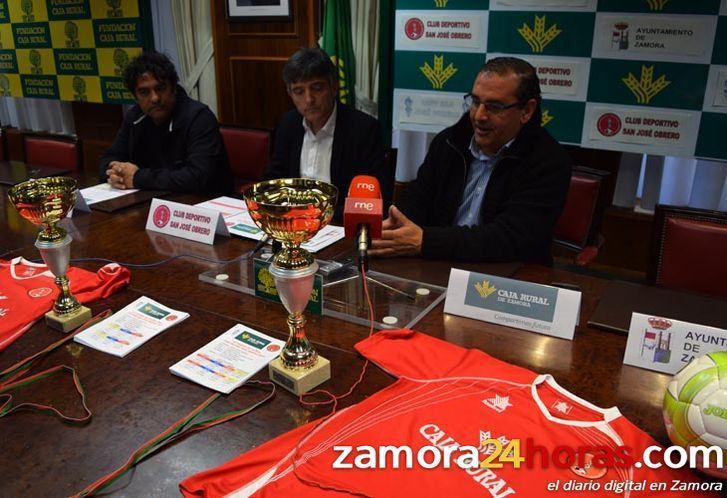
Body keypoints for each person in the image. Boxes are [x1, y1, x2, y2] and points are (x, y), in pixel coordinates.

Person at [370, 57, 572, 264]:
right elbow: (417, 198)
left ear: (526, 111)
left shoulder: (549, 161)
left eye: (494, 106)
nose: (479, 116)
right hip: (439, 264)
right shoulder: (449, 142)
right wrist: (396, 227)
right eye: (475, 102)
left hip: (509, 275)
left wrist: (426, 241)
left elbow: (509, 239)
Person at [264, 46, 390, 221]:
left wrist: (312, 216)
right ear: (290, 94)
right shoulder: (288, 124)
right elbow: (274, 181)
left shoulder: (363, 129)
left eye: (316, 88)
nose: (309, 99)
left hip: (338, 226)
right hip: (292, 224)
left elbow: (368, 202)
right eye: (299, 91)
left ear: (333, 87)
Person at [99, 51, 232, 195]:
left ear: (173, 87)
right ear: (135, 96)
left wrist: (137, 178)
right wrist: (116, 173)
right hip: (153, 201)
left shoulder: (199, 117)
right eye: (144, 92)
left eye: (160, 88)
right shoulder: (135, 117)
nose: (155, 98)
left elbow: (197, 177)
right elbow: (108, 158)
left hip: (203, 204)